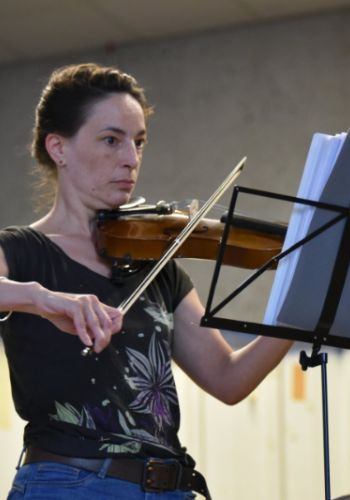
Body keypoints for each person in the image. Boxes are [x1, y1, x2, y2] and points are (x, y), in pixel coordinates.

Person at [0, 63, 293, 499]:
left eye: (138, 142)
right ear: (58, 147)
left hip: (167, 486)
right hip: (69, 483)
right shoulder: (22, 250)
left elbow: (228, 379)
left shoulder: (158, 266)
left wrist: (304, 304)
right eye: (111, 140)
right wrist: (43, 299)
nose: (131, 159)